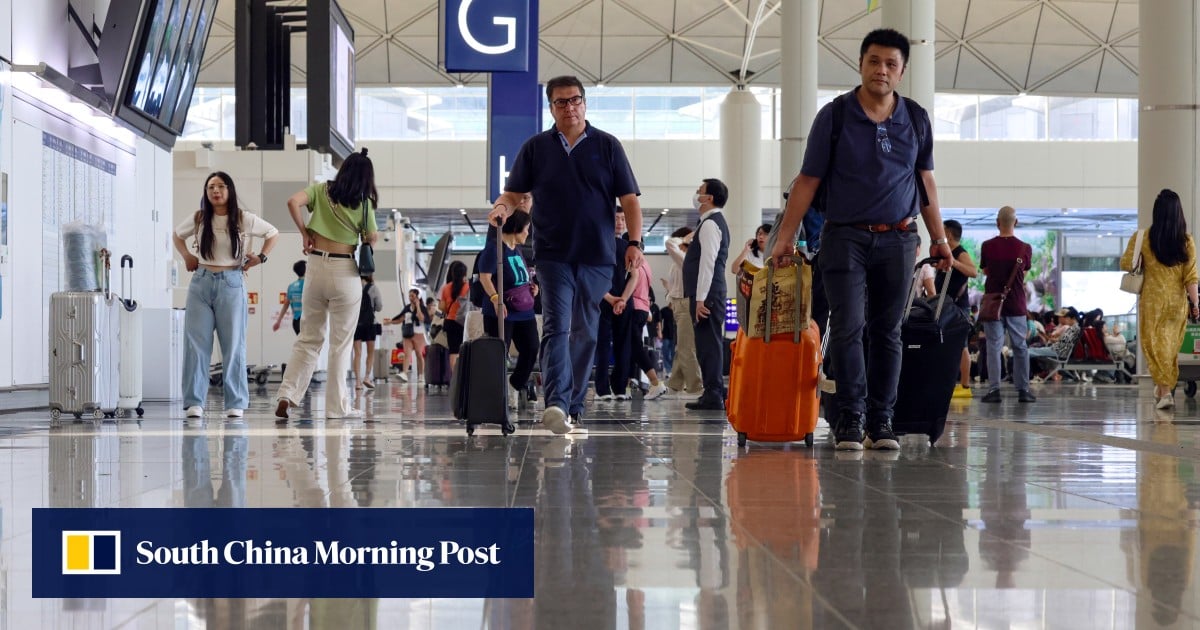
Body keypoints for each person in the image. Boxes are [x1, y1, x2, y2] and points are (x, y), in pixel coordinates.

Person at [769, 28, 951, 450]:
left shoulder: (916, 119)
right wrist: (785, 238)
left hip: (899, 238)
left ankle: (881, 421)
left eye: (890, 64)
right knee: (848, 326)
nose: (881, 70)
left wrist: (940, 239)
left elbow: (925, 183)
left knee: (888, 331)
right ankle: (850, 418)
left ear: (902, 72)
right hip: (844, 237)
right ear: (861, 64)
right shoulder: (834, 116)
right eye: (874, 61)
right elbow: (807, 181)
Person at [489, 75, 645, 435]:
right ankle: (557, 404)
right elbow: (513, 194)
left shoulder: (607, 146)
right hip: (553, 255)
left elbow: (630, 201)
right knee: (558, 326)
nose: (569, 107)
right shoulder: (536, 148)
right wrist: (501, 205)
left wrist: (634, 244)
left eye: (575, 100)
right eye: (561, 102)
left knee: (586, 331)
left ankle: (573, 406)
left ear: (585, 103)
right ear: (551, 107)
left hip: (597, 256)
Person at [274, 149, 379, 421]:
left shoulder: (321, 191)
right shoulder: (364, 203)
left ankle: (288, 393)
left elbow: (291, 202)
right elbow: (372, 238)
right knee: (340, 344)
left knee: (309, 337)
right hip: (345, 270)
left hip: (316, 267)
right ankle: (337, 407)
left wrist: (304, 232)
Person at [173, 171, 279, 419]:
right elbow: (177, 236)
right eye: (210, 187)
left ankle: (236, 402)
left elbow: (273, 232)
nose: (215, 191)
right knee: (196, 345)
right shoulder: (199, 218)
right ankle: (194, 402)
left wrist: (260, 257)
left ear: (229, 190)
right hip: (200, 282)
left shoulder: (242, 218)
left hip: (231, 282)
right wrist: (187, 256)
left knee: (233, 345)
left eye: (220, 186)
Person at [1121, 188, 1200, 409]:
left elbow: (1126, 263)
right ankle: (1163, 387)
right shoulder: (1186, 241)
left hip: (1152, 302)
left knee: (1154, 347)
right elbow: (1191, 277)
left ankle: (1165, 391)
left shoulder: (1143, 238)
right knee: (1170, 348)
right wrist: (1195, 303)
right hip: (1177, 303)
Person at [477, 210, 540, 410]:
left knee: (531, 348)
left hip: (524, 310)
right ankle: (495, 394)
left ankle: (514, 385)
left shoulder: (516, 249)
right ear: (515, 229)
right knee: (498, 353)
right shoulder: (494, 249)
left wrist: (531, 286)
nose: (527, 234)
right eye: (526, 230)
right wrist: (496, 299)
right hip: (501, 310)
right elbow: (484, 276)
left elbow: (521, 274)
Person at [683, 178, 731, 412]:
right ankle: (712, 390)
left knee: (708, 344)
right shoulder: (709, 222)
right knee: (706, 343)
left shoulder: (711, 224)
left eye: (699, 191)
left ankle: (713, 393)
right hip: (707, 292)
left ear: (709, 198)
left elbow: (708, 263)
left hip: (708, 293)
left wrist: (701, 298)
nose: (696, 194)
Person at [979, 206, 1035, 404]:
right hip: (1016, 304)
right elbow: (1024, 272)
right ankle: (1023, 390)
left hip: (993, 303)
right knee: (1020, 347)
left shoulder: (987, 246)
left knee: (994, 346)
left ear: (997, 222)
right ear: (1016, 223)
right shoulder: (1024, 248)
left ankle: (994, 390)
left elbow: (985, 270)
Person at [933, 219, 977, 397]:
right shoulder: (946, 252)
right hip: (944, 304)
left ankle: (965, 385)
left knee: (962, 345)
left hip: (958, 306)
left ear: (949, 234)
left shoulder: (960, 252)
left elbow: (973, 272)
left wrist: (954, 262)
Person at [595, 211, 636, 402]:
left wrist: (623, 299)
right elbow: (592, 276)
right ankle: (602, 389)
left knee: (623, 344)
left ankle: (620, 386)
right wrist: (611, 298)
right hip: (602, 300)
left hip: (624, 300)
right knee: (602, 344)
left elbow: (634, 276)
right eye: (616, 219)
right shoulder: (599, 243)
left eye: (623, 219)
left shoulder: (630, 247)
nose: (620, 222)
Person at [664, 227, 703, 396]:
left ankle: (696, 386)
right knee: (682, 346)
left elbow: (669, 243)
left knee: (687, 348)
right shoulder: (679, 261)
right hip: (679, 304)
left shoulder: (686, 259)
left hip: (686, 305)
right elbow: (674, 287)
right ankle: (675, 383)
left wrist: (686, 237)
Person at [626, 254, 668, 400]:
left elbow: (632, 280)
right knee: (632, 348)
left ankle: (655, 382)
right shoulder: (646, 264)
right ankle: (628, 383)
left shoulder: (632, 261)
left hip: (633, 306)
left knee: (635, 348)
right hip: (643, 308)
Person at [384, 289, 430, 383]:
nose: (410, 298)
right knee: (407, 354)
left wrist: (417, 306)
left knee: (419, 354)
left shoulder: (422, 307)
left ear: (417, 297)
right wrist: (391, 322)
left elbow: (421, 318)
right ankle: (404, 373)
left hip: (418, 334)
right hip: (407, 334)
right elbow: (401, 319)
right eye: (409, 296)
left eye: (412, 296)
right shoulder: (407, 308)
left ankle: (421, 375)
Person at [352, 275, 383, 390]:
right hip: (370, 323)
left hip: (356, 323)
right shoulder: (373, 288)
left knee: (357, 353)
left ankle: (357, 382)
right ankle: (366, 377)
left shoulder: (353, 286)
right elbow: (379, 307)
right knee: (370, 353)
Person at [439, 260, 470, 371]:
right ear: (464, 274)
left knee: (453, 351)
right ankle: (463, 376)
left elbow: (441, 307)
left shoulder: (446, 287)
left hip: (450, 322)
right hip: (464, 321)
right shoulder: (468, 287)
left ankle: (454, 378)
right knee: (465, 349)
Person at [272, 260, 306, 335]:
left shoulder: (291, 286)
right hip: (307, 322)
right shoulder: (309, 285)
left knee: (301, 344)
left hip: (296, 322)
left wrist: (278, 321)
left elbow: (286, 305)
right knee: (311, 345)